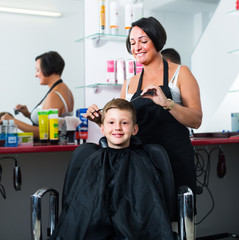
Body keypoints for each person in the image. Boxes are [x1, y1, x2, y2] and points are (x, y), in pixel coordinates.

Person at [85, 17, 202, 199]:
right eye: (132, 43)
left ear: (157, 40)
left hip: (175, 159)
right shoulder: (129, 84)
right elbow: (125, 122)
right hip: (140, 163)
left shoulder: (180, 73)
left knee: (176, 215)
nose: (137, 47)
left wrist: (167, 103)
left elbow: (196, 120)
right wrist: (98, 118)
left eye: (143, 41)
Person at [50, 98, 174, 240]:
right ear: (102, 128)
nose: (117, 128)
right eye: (111, 122)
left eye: (124, 123)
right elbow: (83, 210)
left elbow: (146, 209)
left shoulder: (143, 161)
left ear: (135, 129)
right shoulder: (93, 161)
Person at [0, 51, 74, 139]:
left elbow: (46, 133)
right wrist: (28, 114)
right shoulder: (64, 89)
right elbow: (49, 123)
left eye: (38, 70)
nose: (36, 75)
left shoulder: (54, 96)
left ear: (48, 68)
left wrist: (14, 121)